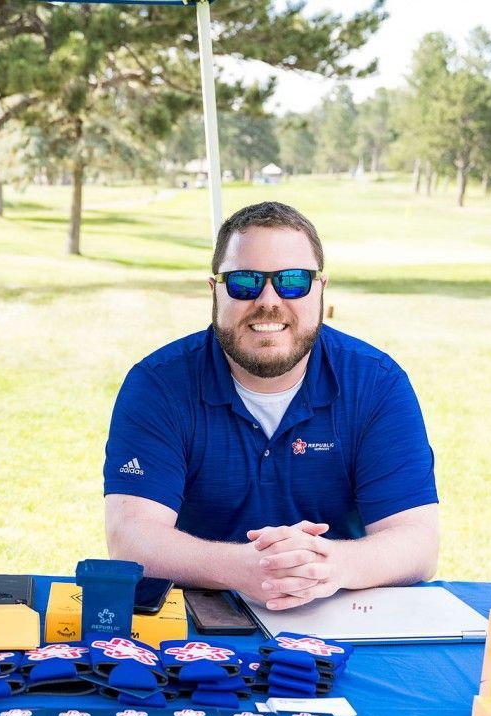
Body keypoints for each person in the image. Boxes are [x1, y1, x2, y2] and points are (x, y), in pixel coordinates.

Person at [103, 201, 439, 611]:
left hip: (341, 613)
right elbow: (130, 538)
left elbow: (418, 542)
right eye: (244, 282)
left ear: (320, 290)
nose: (269, 300)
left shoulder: (377, 383)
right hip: (193, 623)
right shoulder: (157, 384)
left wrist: (328, 566)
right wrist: (240, 567)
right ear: (215, 291)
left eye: (293, 281)